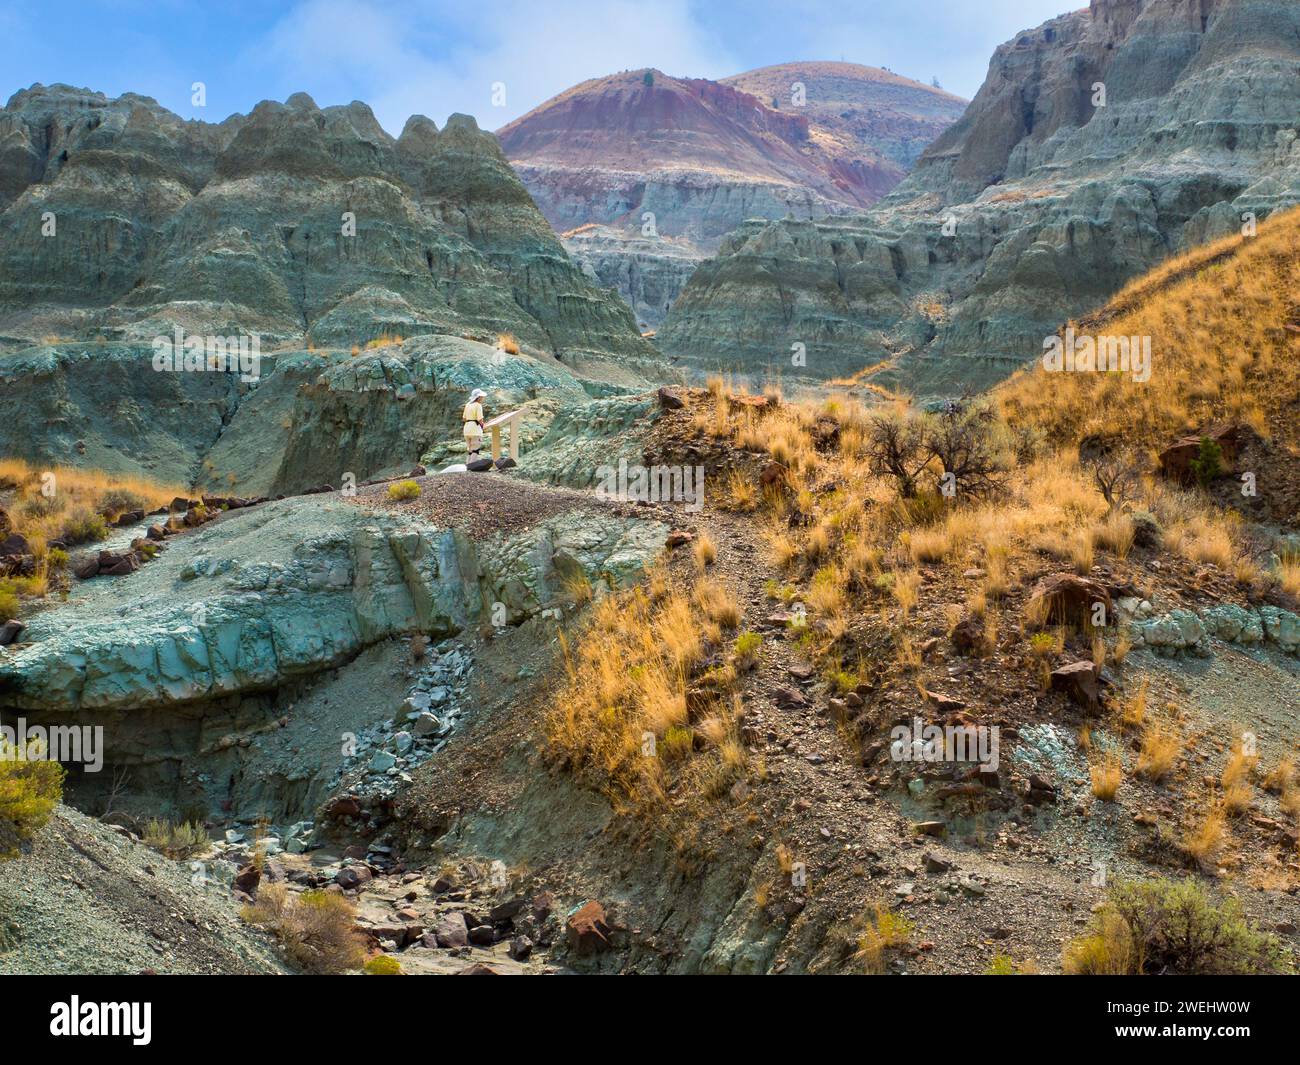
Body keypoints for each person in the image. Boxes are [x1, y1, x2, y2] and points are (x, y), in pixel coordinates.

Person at [463, 388, 487, 458]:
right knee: (475, 450)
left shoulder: (467, 404)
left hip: (466, 429)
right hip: (475, 430)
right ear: (478, 397)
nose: (483, 398)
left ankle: (467, 467)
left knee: (470, 451)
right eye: (482, 397)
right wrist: (483, 427)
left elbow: (464, 418)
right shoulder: (478, 405)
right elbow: (480, 419)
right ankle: (471, 467)